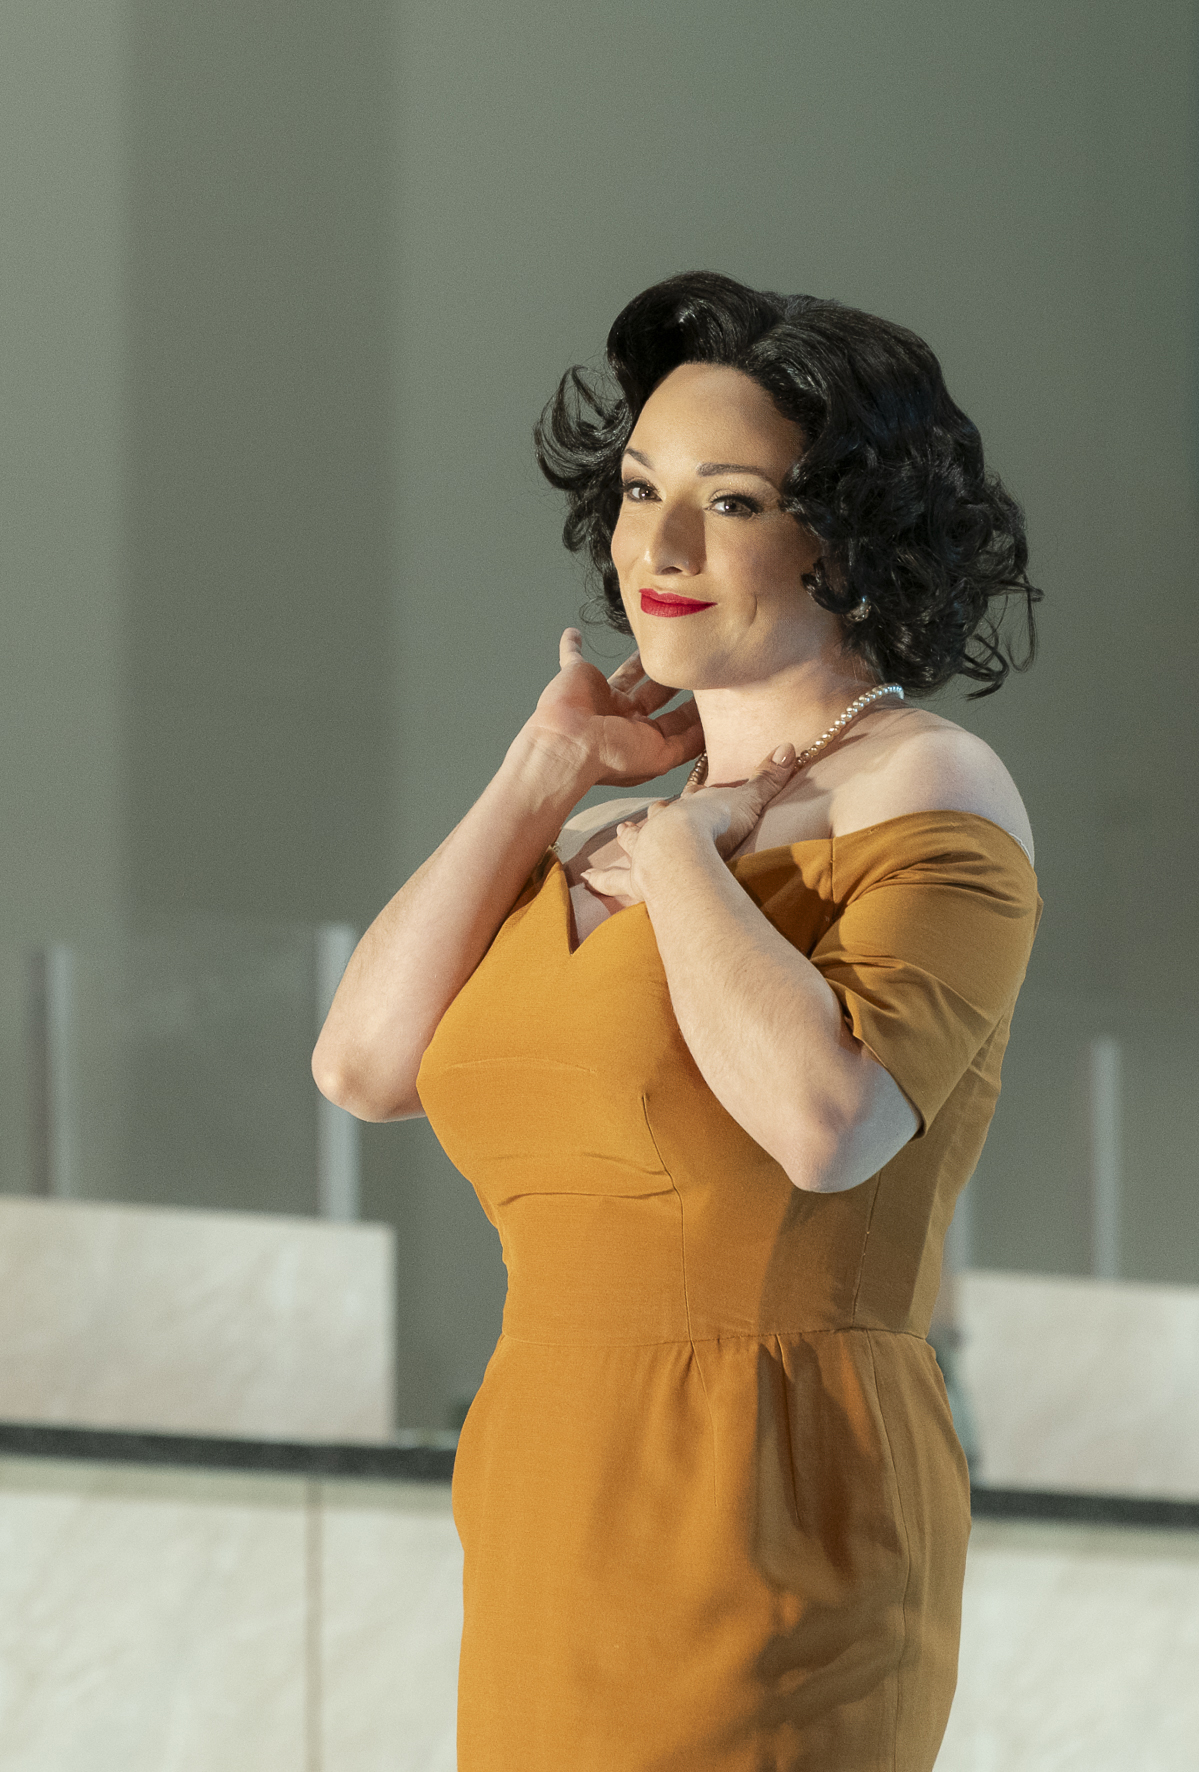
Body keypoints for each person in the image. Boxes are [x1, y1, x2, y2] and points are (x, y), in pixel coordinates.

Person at [312, 270, 1044, 1771]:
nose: (662, 545)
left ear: (849, 529)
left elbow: (831, 1125)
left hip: (773, 1515)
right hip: (546, 1506)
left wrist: (695, 860)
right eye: (642, 490)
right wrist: (543, 778)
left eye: (733, 501)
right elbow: (364, 1064)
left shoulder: (930, 784)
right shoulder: (604, 832)